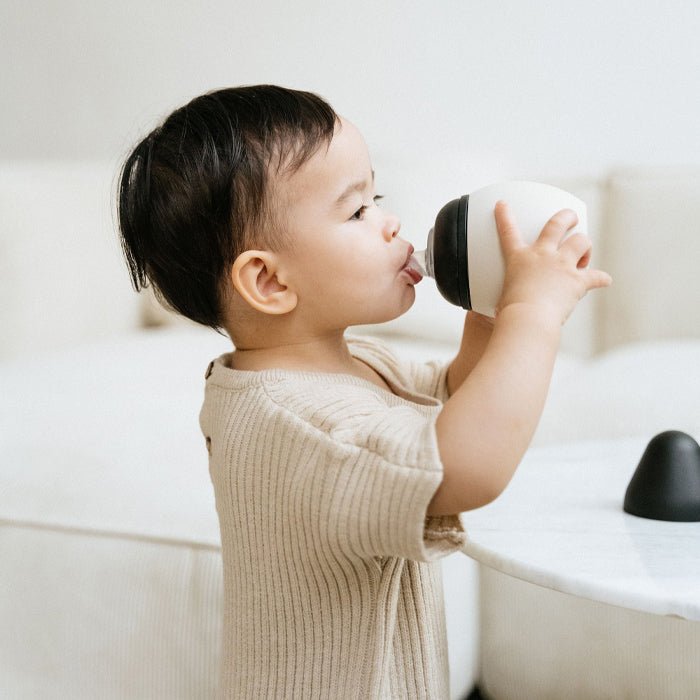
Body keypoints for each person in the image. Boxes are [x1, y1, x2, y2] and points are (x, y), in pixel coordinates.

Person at [117, 84, 612, 699]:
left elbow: (457, 402)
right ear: (269, 281)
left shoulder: (355, 366)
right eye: (357, 212)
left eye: (375, 198)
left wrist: (489, 306)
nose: (390, 222)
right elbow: (461, 467)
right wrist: (531, 315)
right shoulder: (294, 424)